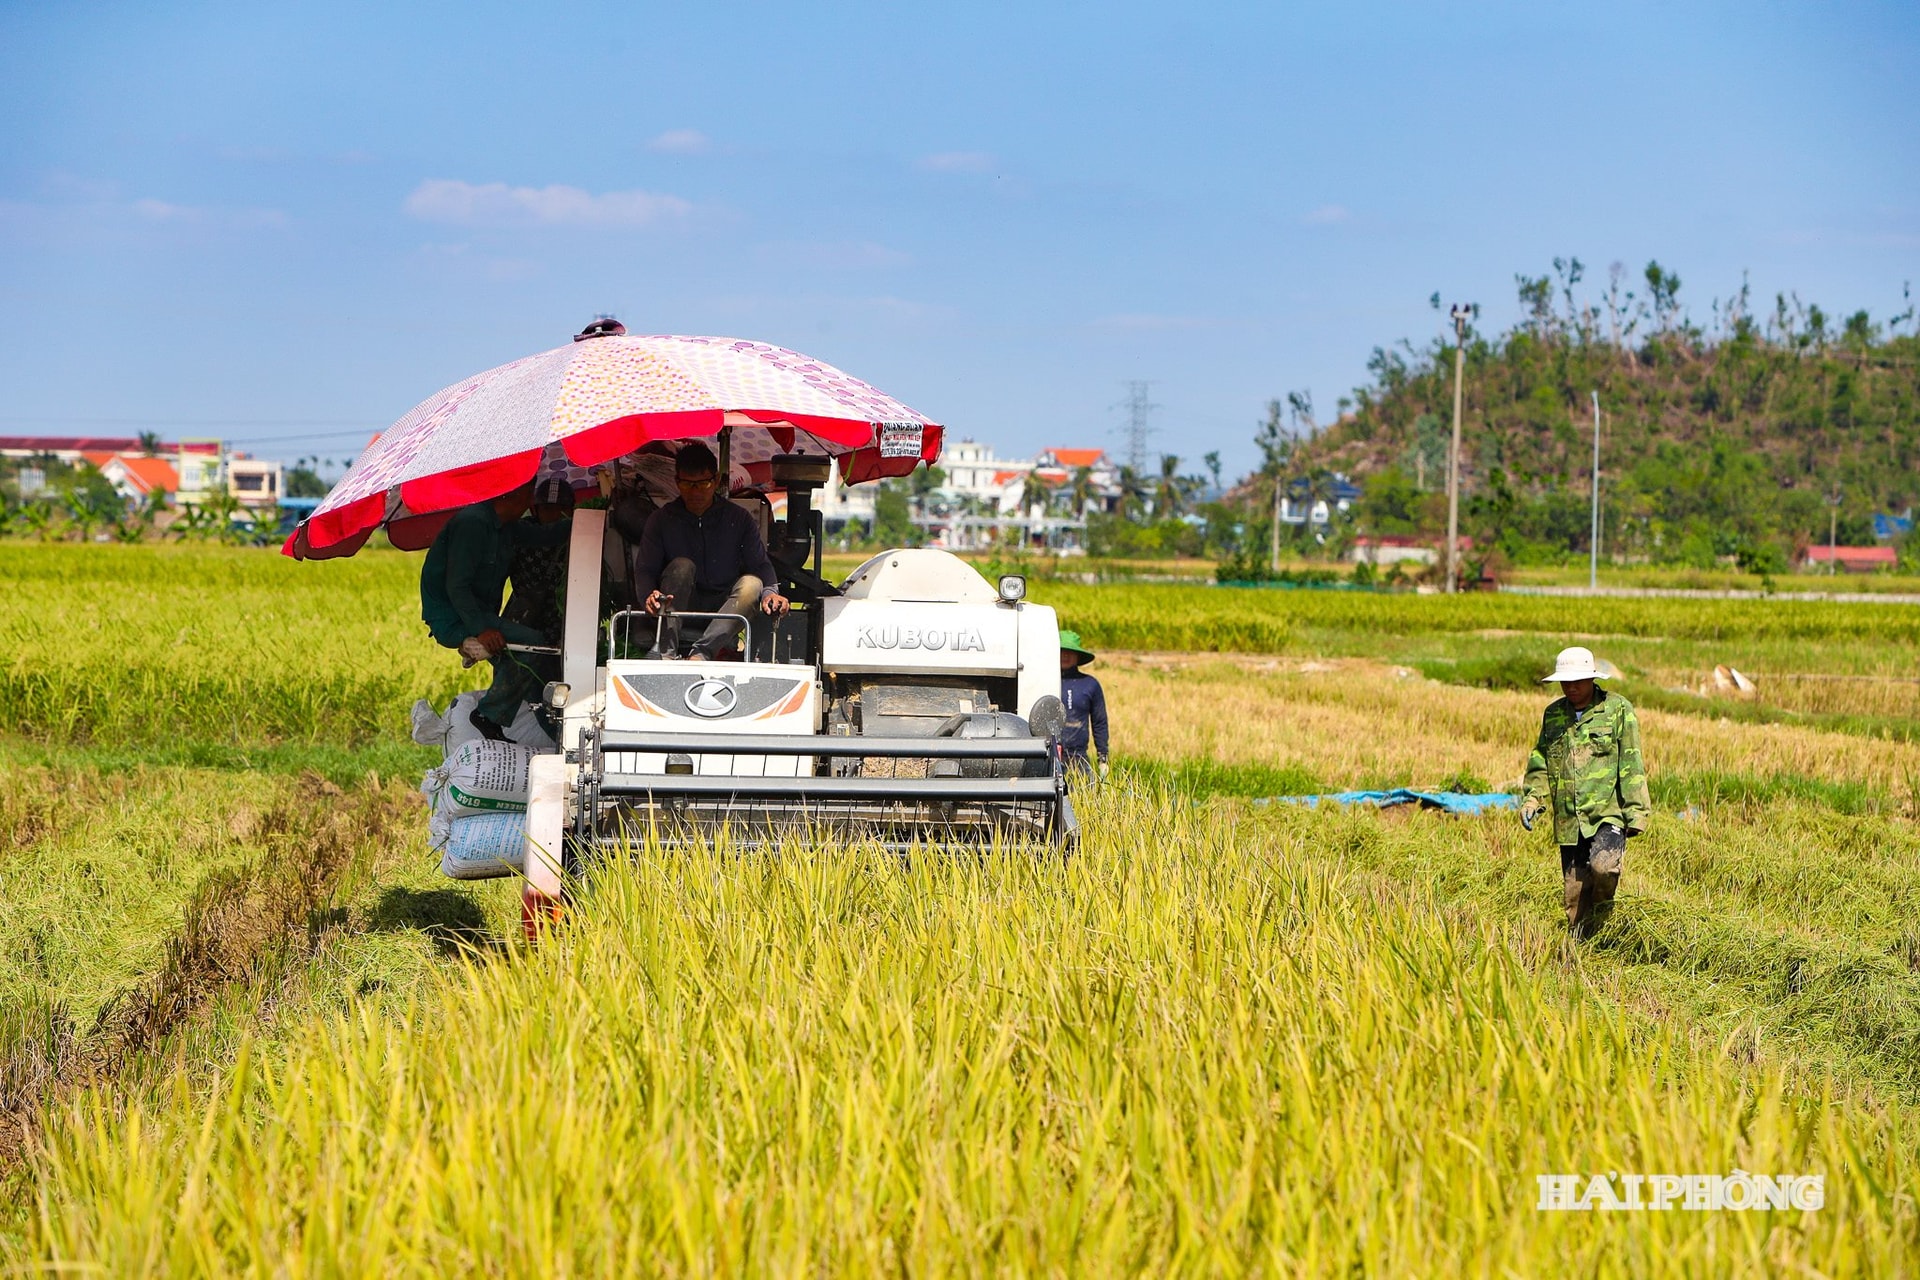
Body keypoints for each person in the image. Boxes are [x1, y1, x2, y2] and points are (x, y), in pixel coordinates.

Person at [419, 481, 573, 738]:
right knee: (533, 643)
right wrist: (482, 629)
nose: (530, 501)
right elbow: (457, 586)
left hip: (480, 615)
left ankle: (556, 735)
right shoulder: (473, 523)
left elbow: (547, 536)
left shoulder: (507, 527)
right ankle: (487, 715)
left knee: (532, 672)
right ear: (516, 493)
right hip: (454, 619)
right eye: (530, 492)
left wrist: (597, 516)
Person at [1521, 646, 1650, 938]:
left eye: (1577, 681)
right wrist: (1533, 798)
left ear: (1592, 679)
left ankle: (1606, 922)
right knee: (1575, 900)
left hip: (1607, 811)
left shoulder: (1617, 710)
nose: (1571, 688)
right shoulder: (1553, 715)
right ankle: (1584, 949)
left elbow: (1631, 761)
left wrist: (1636, 812)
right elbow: (1541, 758)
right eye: (1565, 682)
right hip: (1569, 818)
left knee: (1603, 868)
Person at [631, 442, 788, 659]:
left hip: (726, 608)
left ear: (715, 481)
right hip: (676, 606)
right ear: (677, 482)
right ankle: (666, 654)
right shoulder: (660, 520)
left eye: (702, 484)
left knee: (753, 584)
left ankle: (701, 653)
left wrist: (771, 594)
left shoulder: (739, 519)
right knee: (682, 566)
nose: (695, 492)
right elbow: (645, 570)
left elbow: (760, 566)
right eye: (688, 484)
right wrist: (649, 595)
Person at [1058, 630, 1109, 781]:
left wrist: (1103, 757)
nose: (1065, 655)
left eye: (1070, 652)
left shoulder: (1090, 684)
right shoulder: (1043, 681)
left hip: (1078, 756)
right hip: (1049, 754)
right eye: (1062, 651)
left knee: (1084, 796)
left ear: (1078, 656)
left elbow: (1099, 722)